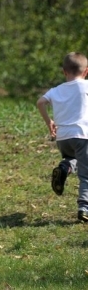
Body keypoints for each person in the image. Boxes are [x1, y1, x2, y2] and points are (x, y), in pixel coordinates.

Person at [36, 51, 88, 222]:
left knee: (71, 158)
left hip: (63, 137)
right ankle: (84, 208)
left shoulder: (56, 90)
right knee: (85, 175)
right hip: (82, 135)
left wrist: (49, 121)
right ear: (86, 71)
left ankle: (65, 168)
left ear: (64, 72)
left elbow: (40, 102)